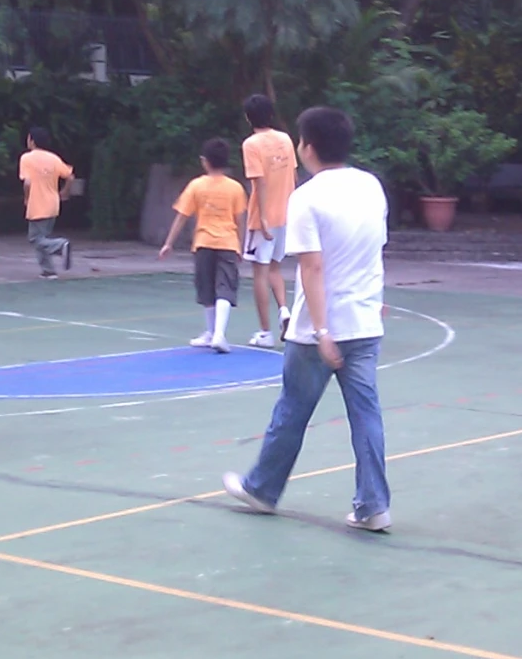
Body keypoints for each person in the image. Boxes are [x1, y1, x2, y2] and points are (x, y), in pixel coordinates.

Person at [223, 106, 392, 532]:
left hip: (318, 332)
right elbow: (375, 251)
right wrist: (376, 302)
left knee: (292, 411)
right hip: (365, 323)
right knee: (366, 415)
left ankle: (262, 489)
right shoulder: (371, 186)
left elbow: (312, 268)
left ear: (309, 147)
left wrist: (322, 332)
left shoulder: (307, 197)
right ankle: (373, 505)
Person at [157, 137, 248, 352]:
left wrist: (168, 243)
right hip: (227, 243)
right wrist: (241, 245)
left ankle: (211, 331)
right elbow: (240, 220)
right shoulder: (235, 188)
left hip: (203, 243)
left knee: (206, 287)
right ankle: (218, 334)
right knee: (225, 287)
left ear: (204, 161)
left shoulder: (196, 185)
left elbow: (181, 216)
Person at [240, 93, 298, 346]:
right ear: (271, 115)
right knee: (275, 267)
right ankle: (284, 311)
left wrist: (262, 217)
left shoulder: (251, 145)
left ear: (247, 118)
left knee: (260, 273)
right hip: (286, 212)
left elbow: (259, 181)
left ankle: (265, 332)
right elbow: (293, 175)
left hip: (263, 217)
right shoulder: (285, 139)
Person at [20, 129, 75, 278]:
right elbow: (70, 177)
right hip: (53, 203)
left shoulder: (27, 158)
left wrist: (26, 198)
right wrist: (65, 192)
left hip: (37, 203)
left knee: (35, 239)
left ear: (32, 141)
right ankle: (48, 271)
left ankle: (60, 245)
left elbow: (27, 183)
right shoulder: (53, 158)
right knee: (42, 237)